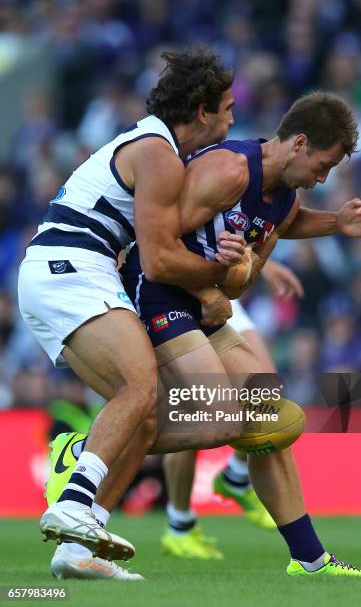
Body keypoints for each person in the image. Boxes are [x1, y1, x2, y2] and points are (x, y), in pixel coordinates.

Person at [47, 92, 361, 578]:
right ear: (300, 143)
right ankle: (81, 451)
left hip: (203, 307)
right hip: (158, 295)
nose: (323, 178)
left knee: (269, 410)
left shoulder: (285, 202)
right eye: (323, 165)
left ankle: (310, 559)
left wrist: (325, 229)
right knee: (221, 416)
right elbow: (155, 240)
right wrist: (207, 282)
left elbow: (240, 284)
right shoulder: (227, 170)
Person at [17, 47, 246, 564]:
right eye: (227, 106)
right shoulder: (157, 152)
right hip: (70, 267)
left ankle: (78, 548)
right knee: (138, 387)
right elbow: (161, 262)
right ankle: (77, 472)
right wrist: (218, 280)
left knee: (165, 417)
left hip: (69, 271)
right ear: (203, 110)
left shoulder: (159, 149)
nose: (233, 117)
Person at [162, 266, 304, 560]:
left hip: (220, 295)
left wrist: (265, 264)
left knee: (268, 397)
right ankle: (180, 526)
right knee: (194, 409)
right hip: (175, 295)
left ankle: (236, 477)